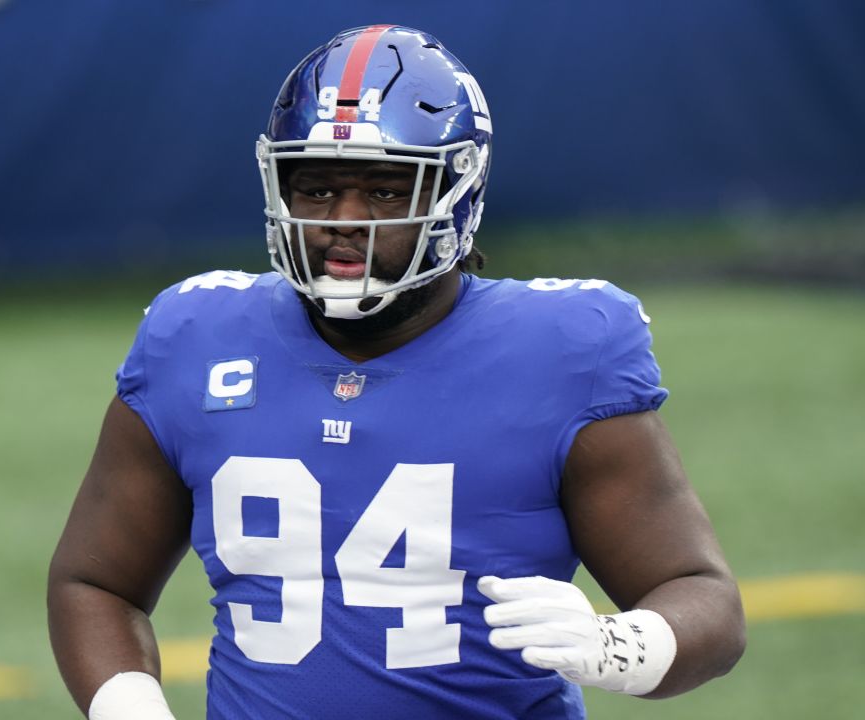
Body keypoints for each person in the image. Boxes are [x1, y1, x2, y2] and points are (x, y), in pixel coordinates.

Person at [48, 24, 745, 720]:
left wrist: (620, 646)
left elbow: (703, 597)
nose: (343, 222)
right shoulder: (193, 336)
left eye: (385, 192)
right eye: (316, 190)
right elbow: (94, 581)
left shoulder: (562, 350)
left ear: (456, 191)